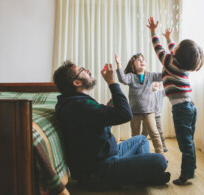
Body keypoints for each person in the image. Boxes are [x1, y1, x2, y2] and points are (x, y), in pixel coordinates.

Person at [53, 60, 170, 190]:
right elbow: (126, 114)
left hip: (109, 155)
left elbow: (96, 126)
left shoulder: (76, 103)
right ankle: (143, 175)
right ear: (77, 82)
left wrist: (108, 109)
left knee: (142, 140)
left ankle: (142, 175)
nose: (88, 71)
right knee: (160, 161)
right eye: (83, 70)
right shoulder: (79, 105)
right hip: (99, 171)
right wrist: (112, 82)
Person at [147, 17, 204, 185]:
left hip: (182, 109)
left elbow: (158, 49)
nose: (174, 46)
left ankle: (186, 175)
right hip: (190, 107)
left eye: (177, 46)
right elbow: (173, 49)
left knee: (184, 144)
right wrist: (169, 38)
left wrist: (153, 32)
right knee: (189, 141)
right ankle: (191, 168)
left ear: (178, 54)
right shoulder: (181, 64)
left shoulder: (169, 62)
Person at [115, 54, 164, 154]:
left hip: (149, 112)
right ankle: (137, 154)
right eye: (138, 60)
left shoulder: (150, 75)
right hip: (134, 113)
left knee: (154, 134)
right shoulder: (131, 77)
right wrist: (118, 64)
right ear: (133, 65)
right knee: (135, 136)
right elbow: (122, 79)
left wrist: (165, 67)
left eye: (143, 60)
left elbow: (162, 76)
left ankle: (161, 154)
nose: (142, 61)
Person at [141, 82, 167, 152]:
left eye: (157, 82)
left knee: (159, 131)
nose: (156, 83)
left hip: (157, 115)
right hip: (147, 115)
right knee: (145, 132)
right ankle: (140, 146)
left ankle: (163, 145)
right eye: (153, 82)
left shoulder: (161, 92)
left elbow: (167, 89)